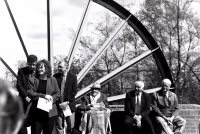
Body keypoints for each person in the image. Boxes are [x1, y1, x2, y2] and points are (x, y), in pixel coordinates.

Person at [27, 59, 60, 134]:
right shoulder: (32, 80)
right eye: (38, 67)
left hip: (50, 113)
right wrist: (43, 96)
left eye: (42, 67)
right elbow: (30, 92)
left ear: (47, 68)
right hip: (37, 113)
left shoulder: (53, 79)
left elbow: (58, 93)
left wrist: (52, 99)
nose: (39, 69)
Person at [53, 60, 78, 134]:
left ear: (67, 68)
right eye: (58, 66)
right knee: (59, 125)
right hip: (59, 105)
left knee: (70, 125)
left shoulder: (73, 77)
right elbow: (53, 91)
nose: (59, 68)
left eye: (61, 67)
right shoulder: (55, 77)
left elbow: (74, 91)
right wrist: (59, 103)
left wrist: (67, 102)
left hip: (69, 105)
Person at [16, 54, 37, 134]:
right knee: (22, 124)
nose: (32, 66)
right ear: (27, 63)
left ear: (36, 62)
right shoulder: (21, 71)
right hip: (23, 101)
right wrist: (26, 96)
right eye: (30, 64)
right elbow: (19, 85)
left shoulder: (39, 72)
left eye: (34, 64)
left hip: (35, 101)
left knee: (35, 124)